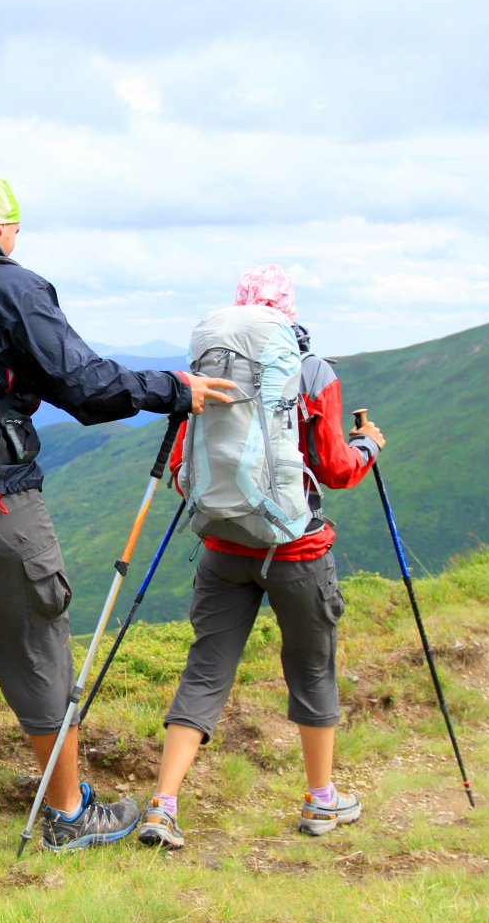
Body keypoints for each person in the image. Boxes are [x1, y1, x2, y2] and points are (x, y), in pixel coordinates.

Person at [0, 173, 234, 892]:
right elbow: (86, 386)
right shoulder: (12, 285)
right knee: (35, 653)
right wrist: (173, 389)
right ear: (2, 227)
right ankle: (68, 814)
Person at [136, 264, 386, 849]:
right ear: (289, 314)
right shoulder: (313, 371)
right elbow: (334, 470)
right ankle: (321, 803)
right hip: (298, 550)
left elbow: (181, 469)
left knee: (205, 671)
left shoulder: (208, 370)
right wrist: (368, 445)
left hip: (223, 546)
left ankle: (162, 806)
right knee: (312, 668)